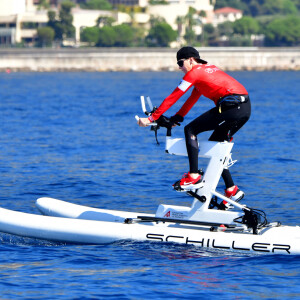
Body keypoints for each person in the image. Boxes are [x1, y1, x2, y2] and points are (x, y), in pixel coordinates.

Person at [138, 46, 251, 203]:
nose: (179, 67)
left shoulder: (195, 73)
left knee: (191, 130)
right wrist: (177, 118)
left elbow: (175, 95)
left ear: (191, 60)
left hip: (232, 107)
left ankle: (194, 176)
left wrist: (151, 118)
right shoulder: (205, 71)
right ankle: (232, 189)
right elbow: (192, 99)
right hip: (243, 108)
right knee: (216, 147)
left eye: (180, 63)